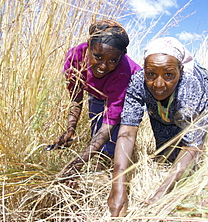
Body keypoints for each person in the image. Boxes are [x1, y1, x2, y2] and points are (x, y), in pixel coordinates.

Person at [107, 37, 208, 216]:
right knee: (166, 157)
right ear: (144, 72)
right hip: (161, 110)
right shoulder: (137, 83)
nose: (158, 84)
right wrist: (118, 185)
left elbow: (192, 146)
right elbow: (127, 132)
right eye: (151, 74)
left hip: (191, 105)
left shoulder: (193, 88)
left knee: (189, 168)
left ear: (180, 71)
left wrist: (160, 196)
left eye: (168, 75)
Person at [49, 20, 141, 182]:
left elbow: (109, 122)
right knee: (95, 126)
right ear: (88, 46)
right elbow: (76, 98)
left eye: (112, 60)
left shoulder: (124, 72)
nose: (104, 66)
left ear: (121, 56)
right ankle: (97, 161)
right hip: (97, 92)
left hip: (125, 92)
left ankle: (106, 170)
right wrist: (70, 130)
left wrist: (77, 163)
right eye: (97, 56)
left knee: (112, 138)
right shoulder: (74, 58)